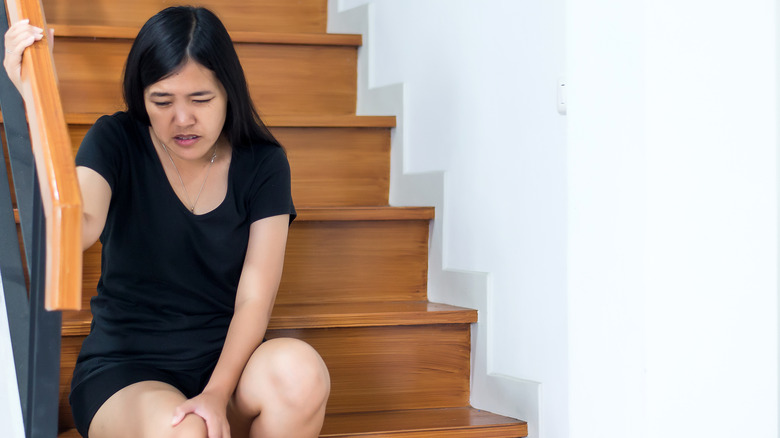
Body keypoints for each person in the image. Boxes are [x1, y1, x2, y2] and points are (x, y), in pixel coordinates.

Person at [4, 6, 330, 438]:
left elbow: (255, 298)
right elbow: (76, 226)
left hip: (224, 368)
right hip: (126, 374)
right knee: (187, 430)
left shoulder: (263, 163)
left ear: (229, 93)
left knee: (302, 371)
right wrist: (35, 103)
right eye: (162, 101)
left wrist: (216, 393)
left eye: (200, 99)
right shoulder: (115, 140)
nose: (182, 119)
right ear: (141, 97)